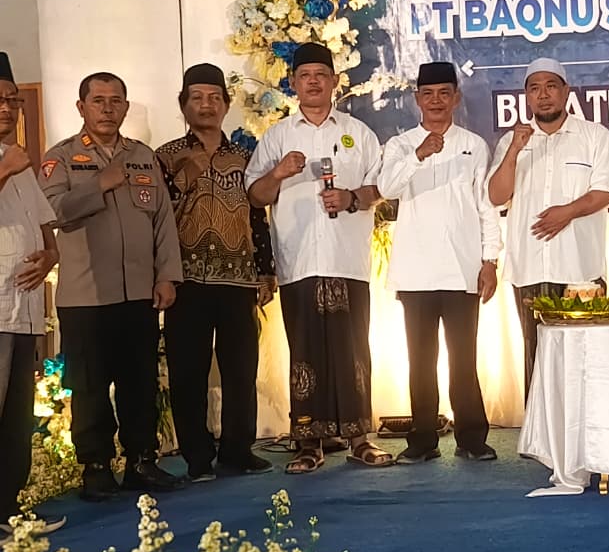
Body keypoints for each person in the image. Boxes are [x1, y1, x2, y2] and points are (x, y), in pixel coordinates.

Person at [246, 42, 390, 474]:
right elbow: (255, 195)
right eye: (305, 75)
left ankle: (360, 438)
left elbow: (380, 187)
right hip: (299, 262)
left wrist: (350, 197)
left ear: (334, 82)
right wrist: (278, 172)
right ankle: (309, 442)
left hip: (347, 260)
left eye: (320, 75)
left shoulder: (358, 133)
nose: (313, 82)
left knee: (354, 350)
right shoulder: (278, 136)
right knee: (305, 353)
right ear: (293, 83)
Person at [41, 71, 185, 500]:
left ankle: (142, 460)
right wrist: (98, 185)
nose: (107, 108)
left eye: (115, 100)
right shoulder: (61, 157)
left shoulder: (141, 156)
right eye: (98, 100)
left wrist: (166, 275)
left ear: (125, 106)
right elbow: (50, 212)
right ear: (81, 107)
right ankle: (97, 467)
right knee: (89, 385)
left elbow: (163, 221)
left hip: (138, 292)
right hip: (86, 295)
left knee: (140, 381)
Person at [155, 64, 276, 483]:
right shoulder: (165, 156)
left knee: (241, 369)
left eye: (214, 98)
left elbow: (257, 215)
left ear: (225, 104)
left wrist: (265, 270)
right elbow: (154, 218)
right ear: (183, 105)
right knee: (187, 372)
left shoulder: (244, 156)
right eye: (197, 98)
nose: (206, 105)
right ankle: (197, 457)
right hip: (184, 281)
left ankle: (238, 450)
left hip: (238, 278)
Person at [379, 62, 500, 463]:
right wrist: (419, 154)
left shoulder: (474, 145)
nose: (435, 101)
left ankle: (472, 437)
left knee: (464, 360)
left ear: (456, 98)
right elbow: (387, 188)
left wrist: (490, 260)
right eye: (428, 94)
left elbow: (486, 206)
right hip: (415, 273)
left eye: (444, 93)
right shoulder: (400, 145)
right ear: (417, 99)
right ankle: (422, 440)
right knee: (421, 362)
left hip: (462, 269)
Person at [486, 58, 609, 399]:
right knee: (536, 358)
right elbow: (496, 197)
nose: (543, 95)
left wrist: (568, 212)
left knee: (586, 360)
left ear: (565, 91)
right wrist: (515, 151)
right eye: (534, 89)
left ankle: (588, 427)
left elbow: (607, 189)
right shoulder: (512, 142)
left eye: (550, 87)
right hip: (530, 268)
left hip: (580, 270)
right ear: (527, 96)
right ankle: (540, 428)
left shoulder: (593, 136)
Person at [0, 53, 63, 535]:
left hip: (24, 308)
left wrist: (49, 257)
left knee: (17, 417)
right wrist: (4, 168)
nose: (7, 108)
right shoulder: (13, 161)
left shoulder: (20, 161)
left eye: (12, 100)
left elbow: (47, 231)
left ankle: (9, 508)